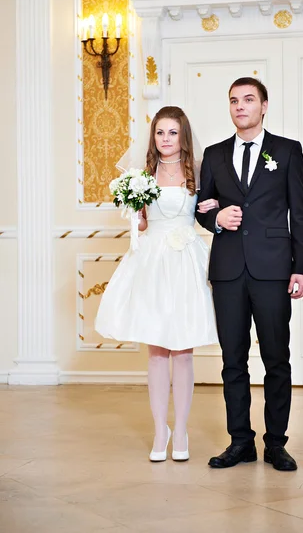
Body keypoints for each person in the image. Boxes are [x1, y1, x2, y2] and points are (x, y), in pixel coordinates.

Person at [196, 77, 303, 471]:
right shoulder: (213, 155)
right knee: (233, 361)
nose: (240, 106)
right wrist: (215, 218)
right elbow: (202, 208)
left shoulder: (287, 151)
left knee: (277, 357)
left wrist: (302, 268)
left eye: (248, 100)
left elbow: (299, 212)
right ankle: (240, 441)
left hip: (273, 269)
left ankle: (276, 443)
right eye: (233, 100)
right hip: (228, 271)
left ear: (264, 106)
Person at [95, 106, 219, 462]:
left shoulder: (198, 171)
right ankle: (158, 429)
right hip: (152, 261)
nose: (165, 139)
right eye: (160, 133)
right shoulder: (143, 174)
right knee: (156, 351)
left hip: (185, 261)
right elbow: (144, 225)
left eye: (172, 133)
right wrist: (135, 212)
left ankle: (180, 430)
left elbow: (207, 212)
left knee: (182, 350)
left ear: (183, 136)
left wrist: (211, 205)